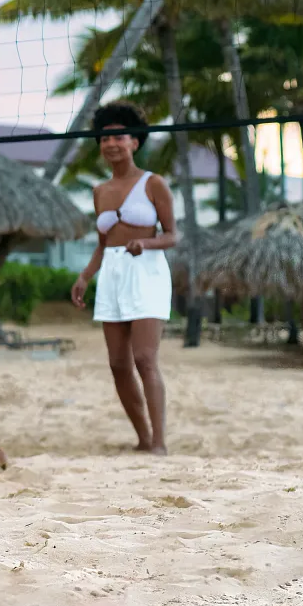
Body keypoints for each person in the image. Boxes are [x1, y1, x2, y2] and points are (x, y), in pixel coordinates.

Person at [70, 102, 176, 454]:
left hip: (146, 271)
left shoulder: (153, 183)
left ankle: (159, 443)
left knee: (144, 358)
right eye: (104, 138)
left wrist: (145, 242)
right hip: (113, 274)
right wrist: (85, 276)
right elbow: (103, 243)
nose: (110, 143)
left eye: (118, 136)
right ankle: (142, 438)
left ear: (134, 141)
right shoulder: (99, 190)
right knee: (117, 364)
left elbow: (173, 235)